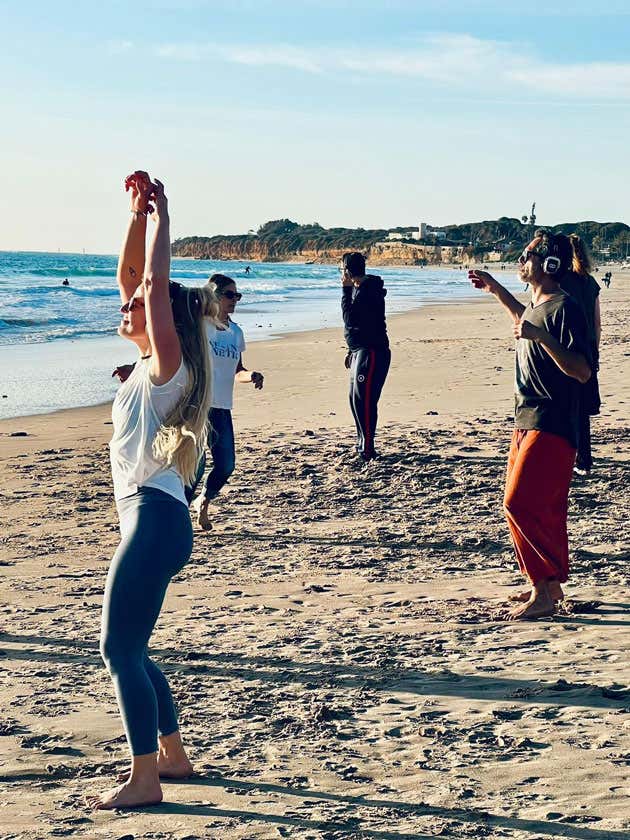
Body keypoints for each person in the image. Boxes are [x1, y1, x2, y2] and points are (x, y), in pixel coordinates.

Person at [88, 171, 216, 810]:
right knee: (134, 648)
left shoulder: (170, 366)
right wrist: (137, 215)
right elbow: (133, 277)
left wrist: (165, 214)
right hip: (157, 519)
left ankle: (145, 780)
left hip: (153, 519)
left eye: (137, 303)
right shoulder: (148, 367)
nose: (126, 302)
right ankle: (172, 755)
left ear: (163, 319)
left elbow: (154, 284)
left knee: (117, 649)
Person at [469, 230, 591, 620]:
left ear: (550, 265)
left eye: (528, 258)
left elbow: (582, 370)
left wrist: (540, 337)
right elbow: (524, 319)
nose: (522, 262)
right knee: (537, 507)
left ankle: (542, 588)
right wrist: (495, 290)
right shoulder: (537, 308)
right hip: (524, 417)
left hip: (552, 420)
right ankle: (549, 585)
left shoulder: (566, 309)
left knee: (519, 503)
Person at [192, 273, 264, 530]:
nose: (235, 300)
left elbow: (237, 370)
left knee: (226, 465)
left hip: (222, 409)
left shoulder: (236, 332)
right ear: (214, 296)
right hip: (198, 407)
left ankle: (204, 500)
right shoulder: (201, 326)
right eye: (229, 295)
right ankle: (176, 516)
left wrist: (251, 376)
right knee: (195, 467)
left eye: (238, 296)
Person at [341, 251, 391, 461]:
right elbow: (360, 324)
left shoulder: (366, 291)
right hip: (361, 351)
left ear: (347, 271)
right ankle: (362, 441)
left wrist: (345, 290)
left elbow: (350, 318)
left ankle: (368, 446)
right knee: (354, 398)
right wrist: (351, 350)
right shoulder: (362, 289)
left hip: (372, 352)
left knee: (365, 400)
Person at [562, 235, 602, 474]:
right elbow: (597, 323)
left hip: (566, 347)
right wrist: (594, 351)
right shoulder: (590, 282)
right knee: (582, 409)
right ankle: (584, 460)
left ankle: (571, 457)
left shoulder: (561, 281)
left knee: (564, 405)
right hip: (587, 349)